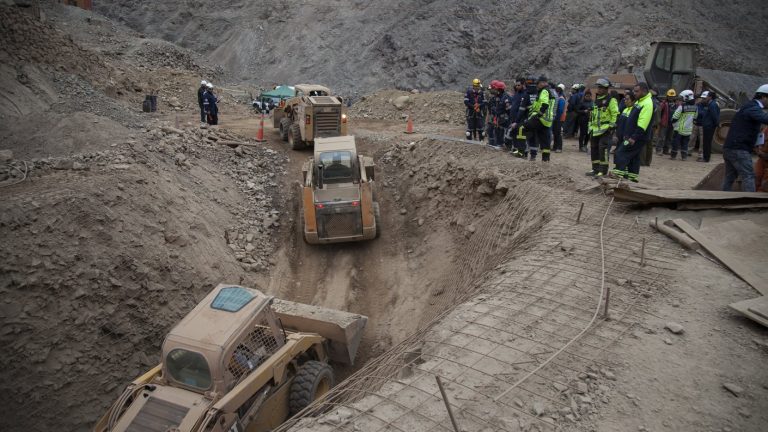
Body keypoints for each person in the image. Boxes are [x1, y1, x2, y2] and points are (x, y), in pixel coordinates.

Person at [721, 84, 768, 192]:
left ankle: (723, 198)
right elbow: (765, 118)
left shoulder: (748, 106)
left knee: (730, 177)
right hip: (739, 149)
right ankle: (749, 202)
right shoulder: (753, 108)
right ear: (764, 97)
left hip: (731, 147)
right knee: (749, 176)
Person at [612, 82, 654, 182]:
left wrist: (633, 137)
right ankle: (632, 177)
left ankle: (618, 175)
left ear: (644, 91)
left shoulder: (647, 103)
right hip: (632, 135)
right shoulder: (640, 101)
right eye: (634, 91)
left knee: (621, 152)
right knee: (634, 156)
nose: (634, 93)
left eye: (636, 91)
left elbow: (642, 124)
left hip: (636, 136)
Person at [586, 78, 619, 176]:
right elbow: (593, 115)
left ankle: (602, 171)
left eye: (601, 88)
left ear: (606, 89)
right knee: (594, 149)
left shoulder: (611, 100)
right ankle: (595, 169)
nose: (599, 89)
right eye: (598, 87)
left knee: (603, 150)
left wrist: (611, 127)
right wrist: (590, 126)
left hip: (605, 130)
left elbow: (615, 114)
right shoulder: (597, 100)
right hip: (595, 130)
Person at [523, 75, 554, 161]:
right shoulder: (549, 91)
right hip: (547, 120)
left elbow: (545, 104)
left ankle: (524, 150)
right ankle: (545, 159)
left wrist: (538, 115)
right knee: (544, 140)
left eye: (538, 83)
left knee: (525, 126)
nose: (537, 85)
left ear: (543, 83)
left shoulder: (544, 91)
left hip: (541, 118)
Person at [670, 89, 697, 160]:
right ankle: (684, 157)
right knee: (685, 144)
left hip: (679, 129)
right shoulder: (695, 107)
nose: (681, 99)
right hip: (688, 130)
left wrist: (672, 122)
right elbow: (695, 117)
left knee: (675, 143)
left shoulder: (681, 107)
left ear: (686, 98)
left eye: (682, 97)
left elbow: (675, 117)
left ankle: (673, 156)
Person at [486, 80, 512, 148]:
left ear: (498, 89)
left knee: (503, 134)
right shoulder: (494, 98)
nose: (491, 91)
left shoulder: (506, 98)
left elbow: (509, 111)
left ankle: (505, 146)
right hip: (497, 120)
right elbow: (490, 110)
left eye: (493, 89)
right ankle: (495, 144)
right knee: (493, 132)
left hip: (504, 121)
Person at [698, 91, 721, 162]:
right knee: (706, 142)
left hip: (709, 126)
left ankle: (706, 158)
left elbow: (714, 115)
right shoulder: (711, 104)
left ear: (710, 97)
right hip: (708, 125)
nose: (706, 97)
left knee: (707, 142)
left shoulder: (712, 105)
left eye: (707, 96)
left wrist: (717, 123)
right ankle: (706, 157)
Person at [655, 89, 675, 155]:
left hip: (671, 123)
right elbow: (658, 112)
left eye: (672, 96)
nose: (671, 98)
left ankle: (665, 150)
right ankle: (658, 150)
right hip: (664, 123)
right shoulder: (663, 104)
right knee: (661, 137)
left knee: (669, 138)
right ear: (667, 96)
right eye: (670, 96)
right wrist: (659, 121)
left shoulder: (675, 104)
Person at [553, 84, 567, 153]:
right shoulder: (560, 98)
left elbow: (560, 110)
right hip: (558, 118)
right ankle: (555, 146)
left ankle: (559, 147)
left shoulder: (561, 99)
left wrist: (556, 118)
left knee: (558, 133)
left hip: (560, 118)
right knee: (555, 132)